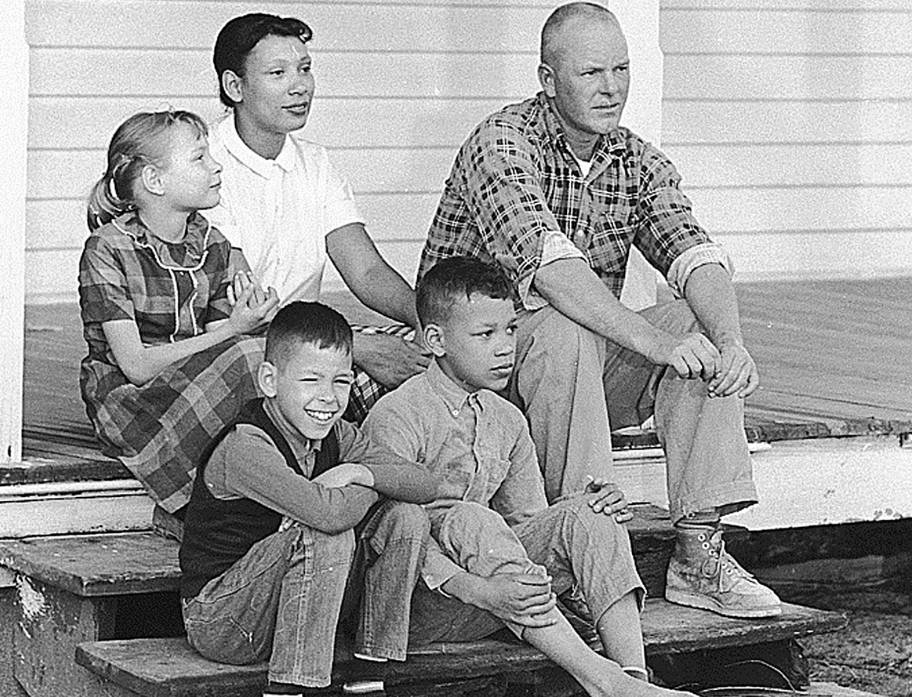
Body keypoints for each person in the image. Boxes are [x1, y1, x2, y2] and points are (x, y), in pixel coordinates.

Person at [418, 2, 781, 619]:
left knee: (702, 328)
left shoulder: (636, 159)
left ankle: (698, 553)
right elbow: (552, 272)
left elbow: (695, 252)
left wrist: (732, 340)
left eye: (620, 68)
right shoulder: (502, 142)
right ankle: (587, 550)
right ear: (546, 78)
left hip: (572, 379)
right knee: (566, 325)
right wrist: (657, 346)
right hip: (474, 375)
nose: (611, 87)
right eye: (591, 73)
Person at [362, 257, 695, 697]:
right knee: (469, 519)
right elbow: (384, 533)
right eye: (485, 334)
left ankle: (633, 677)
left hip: (499, 597)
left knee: (591, 512)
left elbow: (527, 526)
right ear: (435, 340)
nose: (505, 348)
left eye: (511, 330)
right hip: (415, 605)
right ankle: (602, 682)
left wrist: (584, 512)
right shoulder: (398, 414)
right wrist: (480, 590)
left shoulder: (507, 419)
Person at [179, 301, 437, 697]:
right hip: (222, 619)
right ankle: (290, 690)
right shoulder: (245, 446)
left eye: (341, 381)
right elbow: (327, 514)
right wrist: (371, 487)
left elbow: (423, 483)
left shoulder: (338, 435)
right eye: (311, 380)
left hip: (293, 610)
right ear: (270, 380)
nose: (329, 398)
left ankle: (367, 676)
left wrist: (359, 472)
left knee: (407, 517)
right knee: (324, 534)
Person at [204, 12, 430, 421]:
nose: (300, 86)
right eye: (278, 72)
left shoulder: (315, 162)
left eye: (305, 69)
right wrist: (352, 346)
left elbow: (365, 272)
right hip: (237, 345)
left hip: (310, 343)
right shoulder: (205, 164)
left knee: (431, 364)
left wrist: (424, 320)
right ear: (234, 86)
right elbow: (242, 305)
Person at [79, 109, 280, 516]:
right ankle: (209, 508)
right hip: (133, 400)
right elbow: (135, 365)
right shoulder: (108, 248)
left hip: (194, 385)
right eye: (199, 158)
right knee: (252, 357)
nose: (215, 166)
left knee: (284, 356)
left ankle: (271, 488)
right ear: (154, 180)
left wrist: (249, 320)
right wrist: (236, 332)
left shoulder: (212, 242)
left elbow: (225, 342)